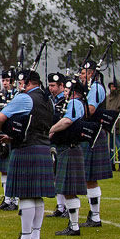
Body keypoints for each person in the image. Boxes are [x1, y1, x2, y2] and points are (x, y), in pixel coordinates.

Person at [0, 69, 55, 239]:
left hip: (26, 149)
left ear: (26, 83)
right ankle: (36, 236)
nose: (19, 86)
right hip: (43, 146)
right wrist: (12, 137)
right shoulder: (47, 100)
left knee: (26, 194)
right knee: (37, 196)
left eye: (21, 84)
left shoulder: (24, 98)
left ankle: (26, 237)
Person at [47, 79, 89, 236]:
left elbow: (67, 121)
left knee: (70, 190)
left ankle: (74, 226)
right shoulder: (71, 103)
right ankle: (73, 225)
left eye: (67, 91)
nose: (64, 93)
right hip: (67, 150)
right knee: (67, 190)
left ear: (75, 93)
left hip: (70, 149)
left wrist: (51, 130)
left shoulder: (75, 104)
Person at [80, 61, 113, 227]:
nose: (80, 75)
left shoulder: (97, 88)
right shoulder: (89, 88)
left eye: (84, 72)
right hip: (88, 133)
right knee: (88, 178)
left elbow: (91, 109)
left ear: (91, 73)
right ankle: (94, 215)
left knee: (90, 178)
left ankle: (95, 216)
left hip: (93, 134)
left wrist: (74, 114)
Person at [0, 70, 17, 211]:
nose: (6, 83)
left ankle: (16, 200)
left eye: (8, 80)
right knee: (4, 170)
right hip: (0, 136)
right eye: (4, 80)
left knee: (15, 169)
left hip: (13, 136)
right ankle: (7, 199)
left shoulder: (18, 96)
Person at [47, 72, 69, 217]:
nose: (50, 88)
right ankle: (60, 207)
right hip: (53, 141)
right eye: (49, 85)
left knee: (64, 176)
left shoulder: (66, 102)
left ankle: (66, 207)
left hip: (64, 141)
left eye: (53, 85)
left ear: (62, 85)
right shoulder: (50, 101)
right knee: (55, 175)